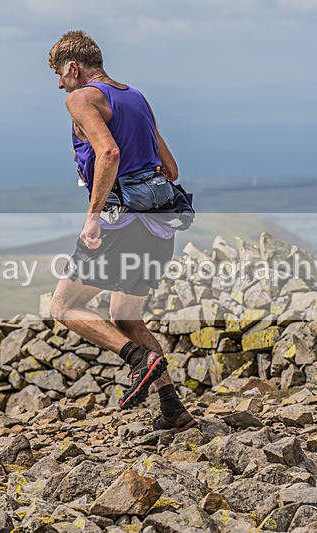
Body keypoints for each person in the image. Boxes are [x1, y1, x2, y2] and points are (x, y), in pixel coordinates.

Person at [47, 30, 198, 432]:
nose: (59, 84)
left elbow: (108, 152)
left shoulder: (80, 98)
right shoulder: (136, 97)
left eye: (60, 74)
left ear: (74, 68)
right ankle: (173, 409)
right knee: (125, 315)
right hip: (161, 221)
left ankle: (138, 360)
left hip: (121, 220)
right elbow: (171, 168)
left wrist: (94, 215)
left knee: (62, 307)